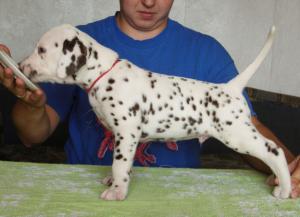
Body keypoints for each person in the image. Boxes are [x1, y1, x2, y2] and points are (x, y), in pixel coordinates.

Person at [0, 0, 300, 197]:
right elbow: (31, 134)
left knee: (245, 141)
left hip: (179, 196)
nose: (149, 1)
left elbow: (247, 128)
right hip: (76, 191)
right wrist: (30, 100)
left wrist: (290, 166)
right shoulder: (77, 42)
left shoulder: (207, 52)